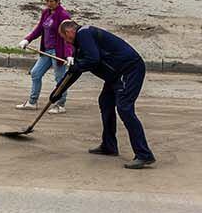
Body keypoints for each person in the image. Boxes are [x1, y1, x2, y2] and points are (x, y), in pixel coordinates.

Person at [58, 20, 155, 169]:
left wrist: (77, 66)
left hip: (129, 69)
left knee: (125, 108)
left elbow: (93, 59)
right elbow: (75, 71)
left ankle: (144, 155)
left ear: (69, 31)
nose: (66, 41)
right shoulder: (80, 45)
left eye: (65, 37)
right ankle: (109, 146)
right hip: (115, 75)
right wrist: (58, 91)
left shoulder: (84, 33)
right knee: (105, 102)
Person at [20, 0, 72, 113]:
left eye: (52, 1)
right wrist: (27, 39)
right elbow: (39, 29)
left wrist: (69, 54)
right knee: (35, 73)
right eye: (47, 1)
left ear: (58, 1)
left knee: (60, 79)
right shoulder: (46, 12)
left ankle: (60, 105)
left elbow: (69, 36)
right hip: (46, 51)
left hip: (57, 52)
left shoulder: (63, 15)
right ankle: (32, 102)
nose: (49, 4)